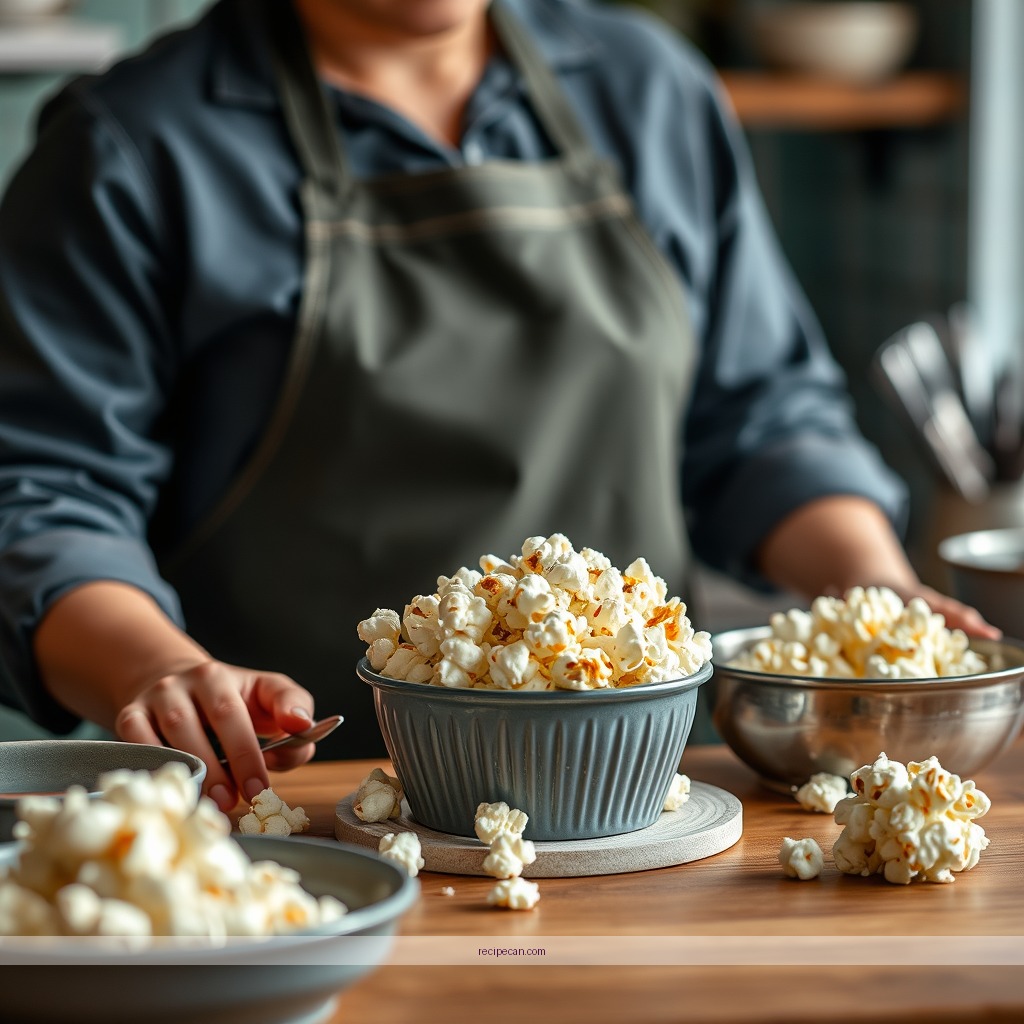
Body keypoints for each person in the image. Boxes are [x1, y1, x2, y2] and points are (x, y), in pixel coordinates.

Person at [0, 0, 995, 812]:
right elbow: (45, 493)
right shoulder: (133, 143)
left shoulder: (648, 91)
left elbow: (764, 419)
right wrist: (160, 671)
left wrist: (874, 603)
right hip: (297, 810)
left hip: (637, 799)